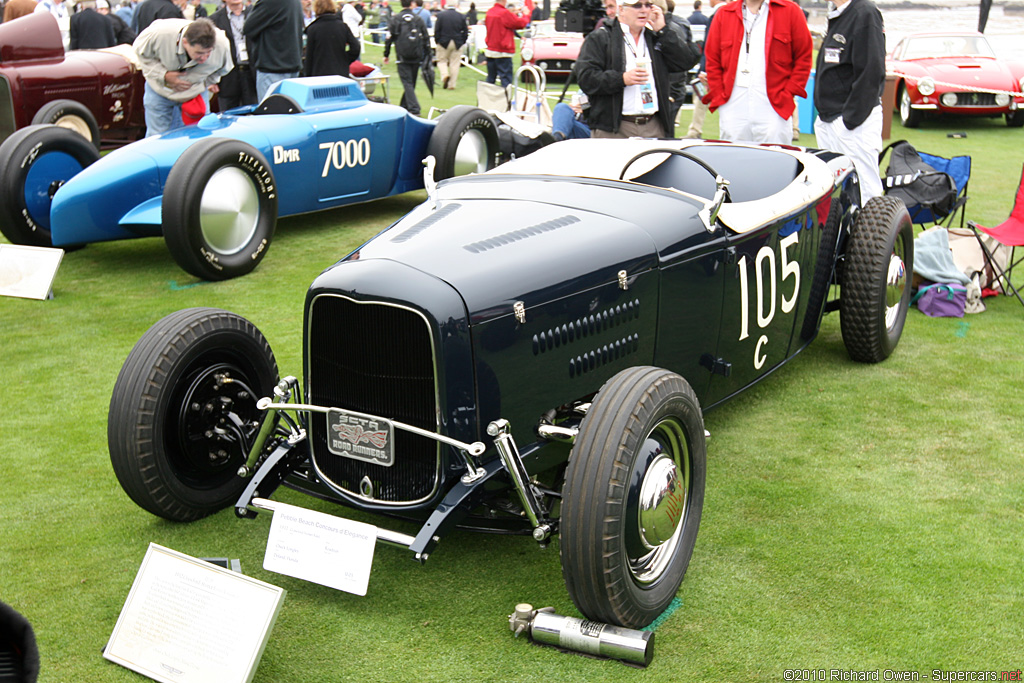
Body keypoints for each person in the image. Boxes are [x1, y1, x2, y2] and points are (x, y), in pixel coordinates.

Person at [575, 0, 700, 138]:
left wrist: (664, 30)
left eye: (648, 5)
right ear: (621, 9)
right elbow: (586, 78)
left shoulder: (656, 37)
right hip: (614, 128)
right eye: (637, 5)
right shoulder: (601, 37)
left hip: (653, 125)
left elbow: (685, 62)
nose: (644, 10)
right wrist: (621, 79)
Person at [700, 0, 811, 144]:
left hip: (774, 104)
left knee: (776, 159)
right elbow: (712, 59)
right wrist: (719, 95)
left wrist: (788, 93)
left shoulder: (790, 11)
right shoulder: (724, 14)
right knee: (734, 159)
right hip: (733, 104)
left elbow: (804, 58)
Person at [814, 0, 886, 201]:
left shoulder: (865, 13)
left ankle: (872, 233)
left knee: (865, 189)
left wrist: (850, 120)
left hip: (852, 123)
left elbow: (872, 71)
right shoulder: (839, 13)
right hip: (829, 119)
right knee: (835, 191)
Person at [133, 17, 231, 136]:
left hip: (196, 94)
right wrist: (163, 75)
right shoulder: (159, 34)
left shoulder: (222, 44)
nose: (204, 58)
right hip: (159, 90)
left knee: (201, 134)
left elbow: (224, 69)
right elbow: (140, 53)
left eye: (209, 52)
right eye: (199, 53)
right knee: (157, 137)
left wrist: (204, 82)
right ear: (185, 42)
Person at [244, 0, 304, 101]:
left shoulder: (270, 2)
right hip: (292, 66)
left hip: (273, 67)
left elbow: (248, 28)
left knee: (271, 114)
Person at [683, 0, 723, 138]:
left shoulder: (717, 15)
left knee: (700, 100)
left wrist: (704, 68)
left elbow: (710, 45)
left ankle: (695, 130)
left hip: (713, 68)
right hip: (725, 68)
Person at [210, 0, 257, 109]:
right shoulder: (214, 19)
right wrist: (212, 79)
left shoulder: (255, 13)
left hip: (252, 73)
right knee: (228, 115)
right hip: (228, 76)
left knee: (254, 113)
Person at [383, 0, 428, 115]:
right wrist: (427, 54)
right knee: (411, 83)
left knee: (408, 83)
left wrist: (386, 54)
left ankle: (414, 108)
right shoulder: (417, 19)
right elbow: (426, 37)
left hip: (402, 56)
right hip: (416, 55)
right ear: (412, 4)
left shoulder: (396, 19)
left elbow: (389, 39)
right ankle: (404, 106)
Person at [304, 0, 360, 77]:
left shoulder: (313, 29)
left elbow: (309, 56)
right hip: (340, 72)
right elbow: (356, 47)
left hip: (319, 73)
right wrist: (344, 59)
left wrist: (307, 75)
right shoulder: (342, 26)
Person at [483, 0, 530, 87]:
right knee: (505, 80)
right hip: (503, 51)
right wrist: (526, 15)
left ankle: (487, 100)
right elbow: (519, 23)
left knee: (490, 80)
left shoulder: (490, 12)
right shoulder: (504, 13)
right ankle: (505, 100)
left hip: (491, 49)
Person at [434, 3, 468, 89]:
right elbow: (465, 31)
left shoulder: (441, 15)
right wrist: (462, 41)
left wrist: (437, 41)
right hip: (457, 42)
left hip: (444, 41)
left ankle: (445, 75)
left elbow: (437, 30)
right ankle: (451, 84)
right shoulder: (461, 16)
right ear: (456, 6)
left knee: (441, 60)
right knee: (455, 64)